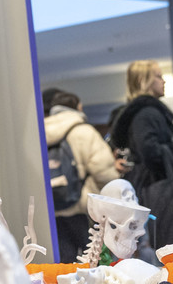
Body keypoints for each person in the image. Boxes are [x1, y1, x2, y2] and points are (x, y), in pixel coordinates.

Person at [42, 88, 122, 261]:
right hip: (82, 208)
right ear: (77, 107)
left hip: (53, 207)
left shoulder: (41, 133)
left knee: (64, 264)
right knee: (94, 260)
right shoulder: (83, 131)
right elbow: (105, 174)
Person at [109, 60, 173, 190]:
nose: (164, 81)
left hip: (149, 184)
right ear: (143, 81)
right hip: (154, 187)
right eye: (158, 76)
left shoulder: (144, 112)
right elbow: (150, 152)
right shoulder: (146, 114)